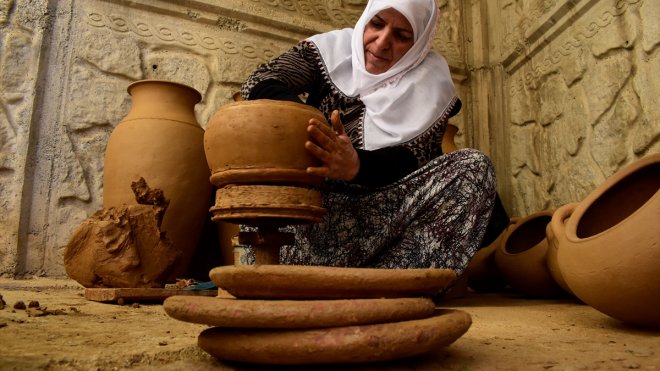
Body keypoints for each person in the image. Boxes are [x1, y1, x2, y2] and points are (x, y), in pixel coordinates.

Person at [238, 0, 497, 277]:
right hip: (311, 221)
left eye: (401, 36)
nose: (382, 42)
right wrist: (315, 124)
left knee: (474, 167)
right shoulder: (333, 52)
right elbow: (261, 81)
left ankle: (388, 283)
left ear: (419, 43)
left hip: (384, 222)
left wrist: (355, 166)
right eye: (377, 24)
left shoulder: (430, 84)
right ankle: (318, 278)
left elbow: (413, 160)